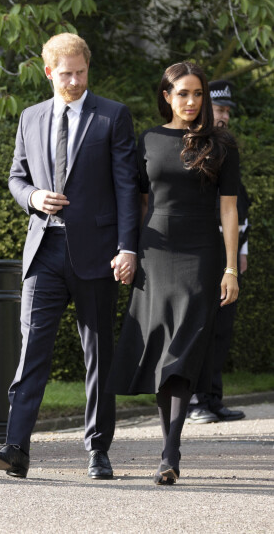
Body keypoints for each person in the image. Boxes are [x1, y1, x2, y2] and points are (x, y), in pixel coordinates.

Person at [0, 33, 140, 480]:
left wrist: (127, 247)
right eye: (65, 73)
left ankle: (97, 449)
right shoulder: (30, 118)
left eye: (80, 72)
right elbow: (16, 176)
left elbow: (128, 188)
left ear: (88, 69)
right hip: (43, 251)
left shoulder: (112, 116)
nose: (73, 81)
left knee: (98, 356)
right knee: (31, 351)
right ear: (48, 71)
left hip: (97, 254)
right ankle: (16, 447)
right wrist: (33, 197)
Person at [107, 62, 240, 486]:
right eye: (182, 94)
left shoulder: (221, 144)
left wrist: (231, 268)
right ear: (167, 96)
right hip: (154, 255)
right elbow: (139, 203)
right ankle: (169, 448)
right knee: (165, 356)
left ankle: (170, 451)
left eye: (198, 94)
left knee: (183, 352)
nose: (191, 102)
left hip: (201, 255)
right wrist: (128, 251)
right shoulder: (147, 139)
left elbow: (229, 210)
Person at [187, 80, 249, 424]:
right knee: (199, 328)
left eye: (227, 110)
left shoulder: (227, 147)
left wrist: (241, 251)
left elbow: (241, 206)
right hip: (199, 251)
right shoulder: (192, 146)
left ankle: (212, 397)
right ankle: (195, 400)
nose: (223, 115)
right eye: (219, 109)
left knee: (220, 328)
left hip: (227, 254)